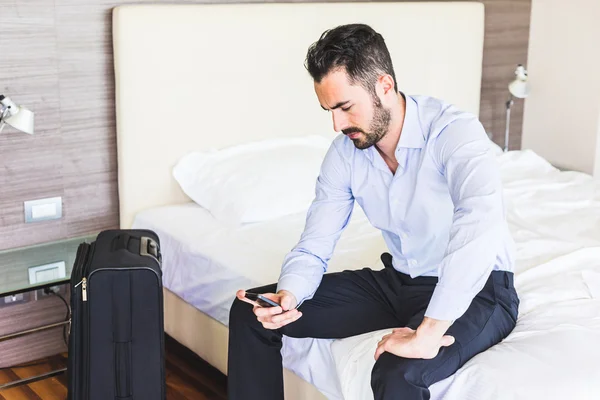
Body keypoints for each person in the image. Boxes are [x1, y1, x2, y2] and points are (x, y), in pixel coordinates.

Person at [227, 23, 519, 400]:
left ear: (384, 86)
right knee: (251, 313)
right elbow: (315, 243)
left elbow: (479, 225)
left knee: (397, 373)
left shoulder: (453, 133)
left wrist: (428, 332)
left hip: (480, 289)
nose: (337, 124)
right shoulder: (345, 154)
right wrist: (289, 295)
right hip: (398, 282)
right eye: (329, 110)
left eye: (345, 107)